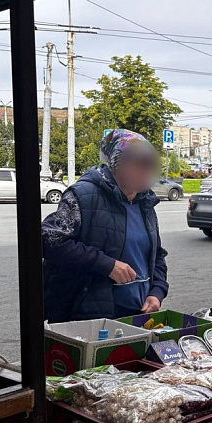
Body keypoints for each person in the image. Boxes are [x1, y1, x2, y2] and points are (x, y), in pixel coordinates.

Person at [42, 129, 169, 323]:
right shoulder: (84, 195)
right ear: (118, 164)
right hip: (88, 318)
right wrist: (107, 265)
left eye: (150, 164)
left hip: (136, 315)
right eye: (141, 164)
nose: (148, 171)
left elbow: (156, 255)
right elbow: (50, 240)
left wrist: (157, 291)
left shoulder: (145, 202)